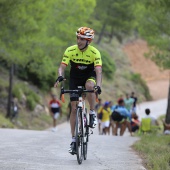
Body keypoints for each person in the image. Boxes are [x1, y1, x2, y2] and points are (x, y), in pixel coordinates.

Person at [54, 27, 102, 155]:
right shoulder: (70, 50)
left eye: (82, 39)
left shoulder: (94, 52)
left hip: (89, 76)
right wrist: (60, 75)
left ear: (88, 41)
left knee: (90, 86)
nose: (79, 41)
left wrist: (99, 85)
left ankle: (92, 112)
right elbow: (62, 67)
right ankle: (74, 140)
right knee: (74, 109)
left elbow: (98, 71)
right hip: (75, 78)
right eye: (78, 38)